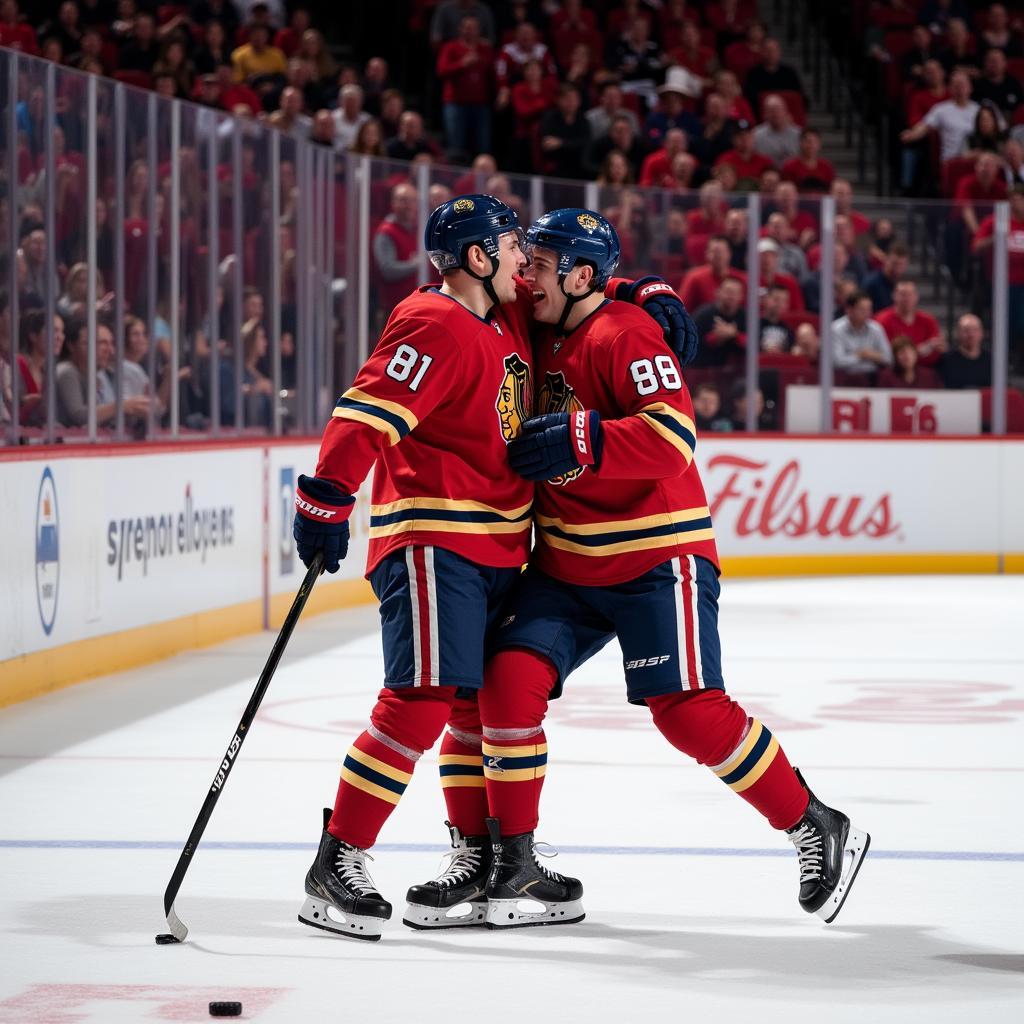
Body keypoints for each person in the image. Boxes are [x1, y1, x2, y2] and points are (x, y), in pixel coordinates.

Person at [290, 194, 701, 940]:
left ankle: (479, 860)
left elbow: (572, 287)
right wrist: (325, 500)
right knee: (419, 699)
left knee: (471, 712)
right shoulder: (434, 321)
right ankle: (339, 858)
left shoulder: (504, 312)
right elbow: (365, 413)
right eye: (514, 247)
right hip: (433, 538)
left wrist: (636, 289)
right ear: (479, 260)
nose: (525, 260)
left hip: (494, 550)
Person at [477, 208, 869, 928]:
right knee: (505, 684)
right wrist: (644, 282)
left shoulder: (627, 334)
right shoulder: (536, 319)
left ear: (580, 275)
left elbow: (671, 438)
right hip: (567, 564)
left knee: (688, 714)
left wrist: (583, 433)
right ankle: (517, 866)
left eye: (539, 263)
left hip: (659, 558)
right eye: (523, 260)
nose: (525, 273)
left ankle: (812, 822)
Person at [900, 69, 979, 162]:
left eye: (962, 85)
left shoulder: (979, 110)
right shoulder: (941, 109)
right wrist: (912, 134)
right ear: (950, 88)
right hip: (951, 161)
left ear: (970, 87)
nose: (960, 89)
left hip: (975, 162)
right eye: (956, 85)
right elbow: (924, 126)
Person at [875, 279, 946, 365]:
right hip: (894, 370)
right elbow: (886, 354)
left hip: (925, 370)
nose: (907, 299)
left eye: (910, 295)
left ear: (917, 297)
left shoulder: (929, 320)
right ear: (894, 296)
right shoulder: (882, 319)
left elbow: (937, 350)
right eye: (903, 295)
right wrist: (919, 351)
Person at [831, 291, 893, 378]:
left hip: (872, 377)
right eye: (862, 309)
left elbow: (888, 358)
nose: (867, 313)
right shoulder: (835, 329)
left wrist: (870, 354)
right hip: (844, 378)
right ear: (849, 310)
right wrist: (860, 355)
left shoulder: (876, 329)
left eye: (869, 309)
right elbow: (836, 362)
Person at [939, 312, 992, 388]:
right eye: (966, 330)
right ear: (958, 333)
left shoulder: (991, 361)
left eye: (975, 330)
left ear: (982, 333)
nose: (971, 335)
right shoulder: (946, 360)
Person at [877, 336, 943, 388]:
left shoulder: (929, 376)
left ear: (915, 354)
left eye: (910, 351)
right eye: (902, 352)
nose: (907, 356)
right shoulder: (886, 376)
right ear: (895, 356)